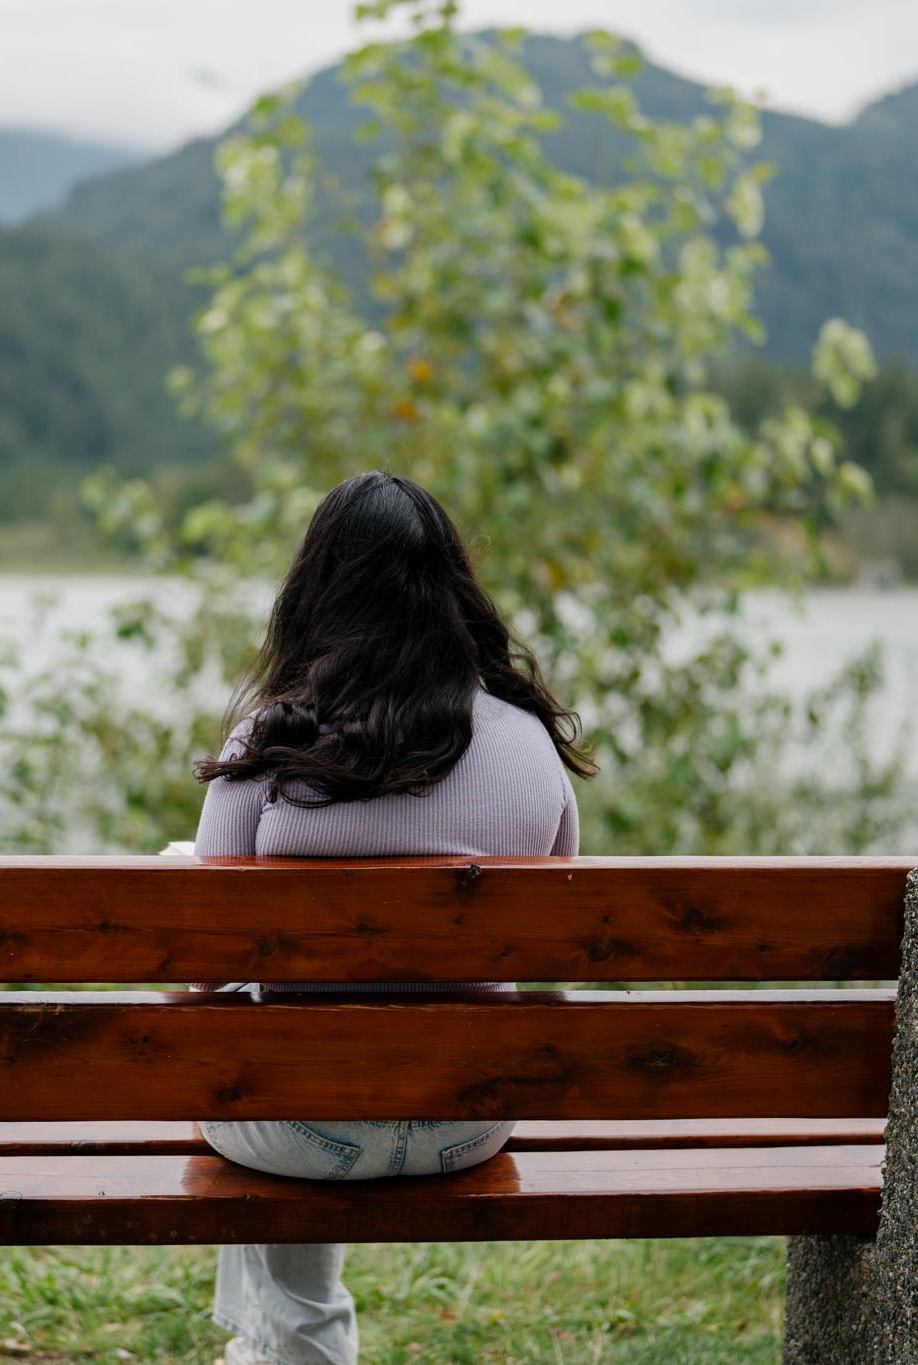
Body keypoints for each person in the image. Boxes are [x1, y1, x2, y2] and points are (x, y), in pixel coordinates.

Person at [189, 470, 591, 1365]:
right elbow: (551, 954)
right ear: (452, 592)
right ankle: (273, 1346)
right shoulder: (529, 746)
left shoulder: (269, 743)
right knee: (266, 1043)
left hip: (297, 1128)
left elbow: (200, 968)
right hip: (470, 1119)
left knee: (235, 1029)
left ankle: (294, 1338)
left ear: (316, 594)